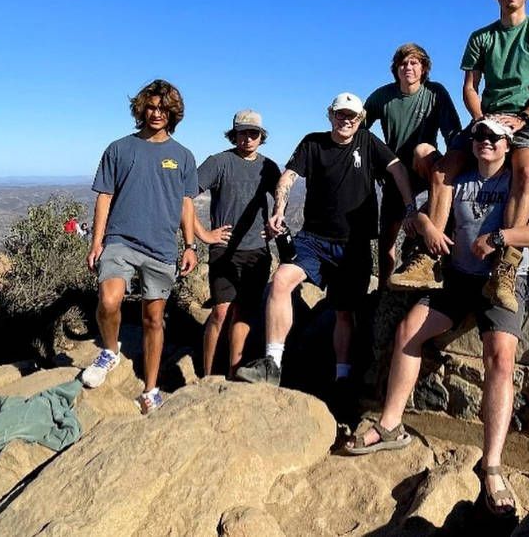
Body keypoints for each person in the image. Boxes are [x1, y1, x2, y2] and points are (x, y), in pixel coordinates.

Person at [345, 119, 529, 517]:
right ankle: (391, 424)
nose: (486, 143)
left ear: (508, 144)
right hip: (457, 279)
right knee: (409, 329)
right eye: (479, 136)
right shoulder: (458, 181)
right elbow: (420, 217)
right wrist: (426, 225)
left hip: (503, 280)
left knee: (500, 356)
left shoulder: (517, 184)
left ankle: (492, 463)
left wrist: (500, 239)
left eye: (494, 137)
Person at [392, 0, 529, 313]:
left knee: (526, 172)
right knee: (443, 169)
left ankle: (506, 265)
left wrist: (522, 118)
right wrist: (481, 119)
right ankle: (429, 258)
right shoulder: (481, 37)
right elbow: (470, 87)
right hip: (487, 118)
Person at [234, 92, 416, 390]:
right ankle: (272, 364)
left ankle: (342, 378)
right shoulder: (313, 143)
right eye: (340, 114)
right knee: (281, 280)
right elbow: (288, 177)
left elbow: (397, 168)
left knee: (344, 312)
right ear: (330, 115)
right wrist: (279, 210)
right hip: (314, 240)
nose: (345, 120)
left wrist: (411, 208)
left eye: (352, 116)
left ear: (360, 120)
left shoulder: (368, 143)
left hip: (353, 244)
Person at [81, 79, 198, 415]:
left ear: (173, 113)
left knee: (153, 319)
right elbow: (105, 196)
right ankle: (109, 351)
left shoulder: (183, 156)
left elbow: (186, 205)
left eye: (164, 108)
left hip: (161, 248)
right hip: (120, 240)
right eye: (151, 106)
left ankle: (151, 390)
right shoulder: (119, 148)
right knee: (109, 299)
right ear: (141, 108)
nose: (156, 113)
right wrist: (97, 241)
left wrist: (190, 245)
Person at [364, 43, 461, 287]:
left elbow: (453, 133)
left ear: (424, 68)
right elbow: (358, 130)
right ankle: (385, 290)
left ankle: (431, 252)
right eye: (403, 63)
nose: (408, 67)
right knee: (386, 240)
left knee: (423, 150)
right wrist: (375, 164)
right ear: (396, 69)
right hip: (396, 173)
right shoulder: (382, 97)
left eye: (414, 63)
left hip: (425, 167)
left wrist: (460, 168)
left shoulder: (435, 93)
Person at [194, 109, 281, 378]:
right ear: (234, 135)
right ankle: (207, 376)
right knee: (221, 312)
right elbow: (184, 196)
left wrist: (275, 223)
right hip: (224, 250)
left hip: (257, 251)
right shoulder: (218, 162)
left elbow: (281, 197)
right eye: (243, 133)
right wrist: (203, 234)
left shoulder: (268, 166)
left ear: (260, 136)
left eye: (253, 133)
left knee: (243, 315)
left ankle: (232, 375)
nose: (248, 138)